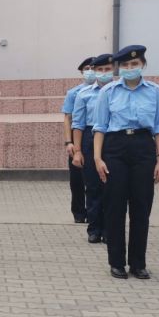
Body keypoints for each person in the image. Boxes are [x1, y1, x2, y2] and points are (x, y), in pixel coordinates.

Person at [93, 45, 159, 279]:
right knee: (115, 206)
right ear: (119, 68)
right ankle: (116, 262)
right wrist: (97, 157)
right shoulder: (109, 91)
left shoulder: (155, 91)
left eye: (134, 65)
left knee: (141, 207)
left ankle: (138, 263)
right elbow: (100, 127)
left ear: (142, 65)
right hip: (115, 149)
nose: (129, 69)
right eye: (125, 65)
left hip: (144, 149)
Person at [71, 54, 113, 244]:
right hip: (89, 138)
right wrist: (78, 151)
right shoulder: (84, 94)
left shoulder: (118, 91)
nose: (103, 73)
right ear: (94, 71)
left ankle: (109, 228)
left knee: (112, 187)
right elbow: (77, 124)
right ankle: (94, 228)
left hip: (112, 138)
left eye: (107, 69)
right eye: (100, 70)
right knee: (93, 186)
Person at [62, 58, 96, 223]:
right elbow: (68, 118)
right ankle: (78, 212)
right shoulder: (74, 93)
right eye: (87, 68)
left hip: (96, 137)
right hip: (78, 138)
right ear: (82, 72)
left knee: (94, 180)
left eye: (93, 68)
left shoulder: (106, 90)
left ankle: (93, 212)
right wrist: (69, 142)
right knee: (77, 180)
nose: (90, 71)